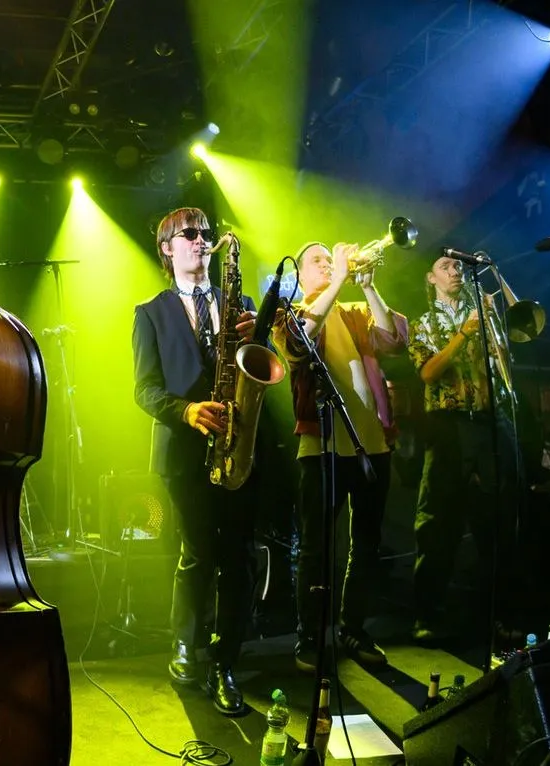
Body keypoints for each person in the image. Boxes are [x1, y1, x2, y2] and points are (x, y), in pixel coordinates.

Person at [131, 207, 257, 716]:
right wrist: (187, 410)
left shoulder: (241, 302)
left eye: (205, 233)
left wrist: (257, 336)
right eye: (190, 234)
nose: (202, 240)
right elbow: (144, 390)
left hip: (240, 447)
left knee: (240, 558)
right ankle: (188, 642)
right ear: (167, 247)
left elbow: (260, 365)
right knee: (198, 551)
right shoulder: (150, 312)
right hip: (185, 452)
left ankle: (225, 661)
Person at [273, 242, 407, 673]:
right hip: (322, 446)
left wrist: (368, 288)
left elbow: (394, 341)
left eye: (331, 260)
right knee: (315, 548)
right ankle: (310, 635)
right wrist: (338, 281)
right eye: (318, 260)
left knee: (366, 545)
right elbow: (297, 343)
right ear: (301, 275)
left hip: (373, 445)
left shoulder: (353, 309)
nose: (329, 265)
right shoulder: (289, 311)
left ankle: (353, 628)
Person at [407, 253, 514, 642]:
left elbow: (506, 367)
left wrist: (493, 327)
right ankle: (427, 616)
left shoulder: (481, 318)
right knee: (436, 524)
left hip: (486, 423)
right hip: (446, 428)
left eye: (457, 267)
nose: (455, 272)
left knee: (494, 524)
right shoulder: (423, 324)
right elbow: (427, 372)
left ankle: (498, 614)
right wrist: (465, 334)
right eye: (446, 267)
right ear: (431, 277)